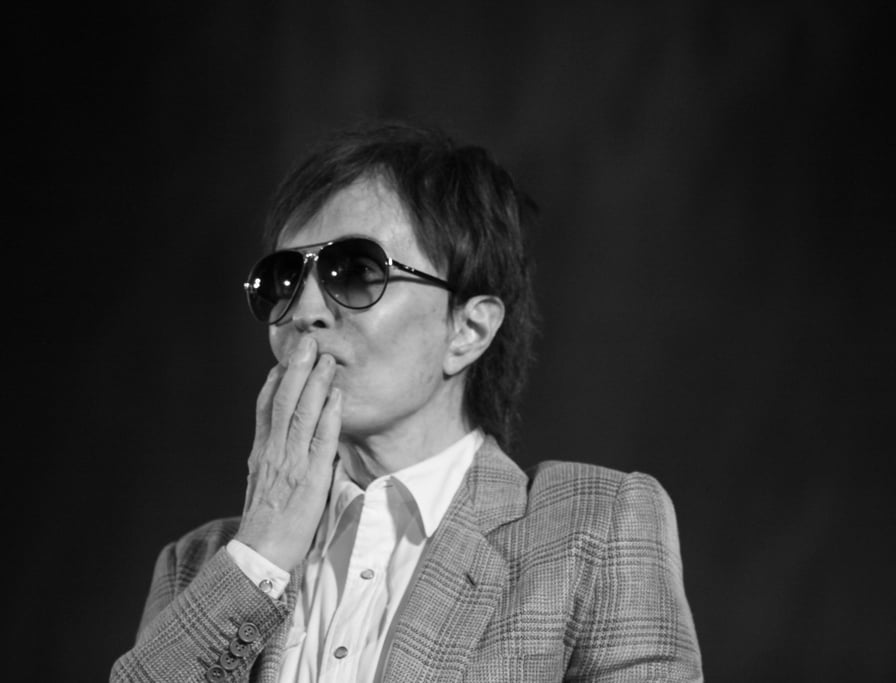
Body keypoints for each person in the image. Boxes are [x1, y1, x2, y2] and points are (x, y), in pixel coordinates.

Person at [111, 122, 703, 682]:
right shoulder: (201, 564)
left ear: (468, 329)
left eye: (356, 272)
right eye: (283, 280)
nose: (304, 311)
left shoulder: (594, 528)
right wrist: (260, 555)